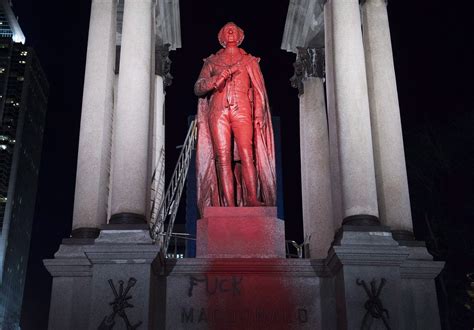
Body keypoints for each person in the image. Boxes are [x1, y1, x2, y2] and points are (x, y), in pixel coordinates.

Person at [194, 22, 276, 214]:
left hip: (242, 110)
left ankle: (253, 198)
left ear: (240, 36)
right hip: (218, 111)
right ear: (221, 37)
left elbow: (258, 90)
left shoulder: (249, 61)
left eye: (234, 29)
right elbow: (198, 87)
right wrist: (216, 80)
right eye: (226, 30)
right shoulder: (212, 62)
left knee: (247, 154)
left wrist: (258, 114)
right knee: (222, 158)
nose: (230, 31)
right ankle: (228, 205)